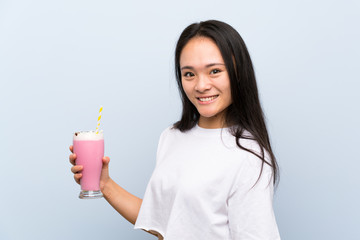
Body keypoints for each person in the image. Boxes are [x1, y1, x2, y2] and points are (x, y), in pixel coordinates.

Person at [69, 20, 281, 239]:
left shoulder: (249, 157)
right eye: (189, 74)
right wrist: (105, 184)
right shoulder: (172, 136)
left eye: (215, 71)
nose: (201, 85)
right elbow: (165, 222)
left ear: (238, 73)